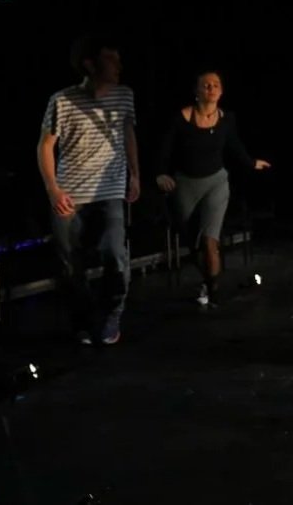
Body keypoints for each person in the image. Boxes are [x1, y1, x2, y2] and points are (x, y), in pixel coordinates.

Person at [37, 34, 140, 346]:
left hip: (109, 188)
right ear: (90, 64)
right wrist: (53, 189)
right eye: (111, 59)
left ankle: (112, 314)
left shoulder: (124, 95)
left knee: (115, 254)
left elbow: (128, 133)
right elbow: (45, 146)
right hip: (71, 193)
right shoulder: (62, 100)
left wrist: (135, 174)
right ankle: (82, 321)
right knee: (70, 263)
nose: (118, 65)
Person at [156, 69, 271, 308]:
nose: (211, 88)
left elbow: (234, 145)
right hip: (186, 184)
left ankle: (214, 292)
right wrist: (160, 173)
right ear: (196, 91)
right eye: (206, 85)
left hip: (216, 183)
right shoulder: (181, 118)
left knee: (210, 241)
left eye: (216, 85)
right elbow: (165, 148)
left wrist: (251, 163)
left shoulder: (226, 119)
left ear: (221, 91)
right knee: (194, 244)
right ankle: (208, 282)